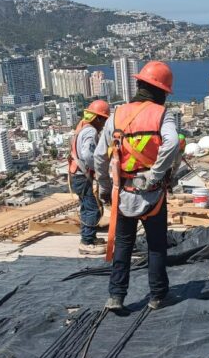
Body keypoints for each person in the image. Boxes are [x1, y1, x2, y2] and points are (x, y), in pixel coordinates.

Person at [94, 61, 179, 311]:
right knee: (156, 246)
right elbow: (173, 143)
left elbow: (99, 156)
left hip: (123, 192)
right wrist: (155, 174)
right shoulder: (162, 114)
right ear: (162, 91)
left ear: (140, 84)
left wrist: (105, 187)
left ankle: (116, 296)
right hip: (153, 194)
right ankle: (157, 296)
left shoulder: (117, 115)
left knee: (123, 244)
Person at [69, 99, 110, 255]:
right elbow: (87, 154)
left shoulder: (82, 126)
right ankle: (86, 242)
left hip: (77, 175)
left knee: (87, 207)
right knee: (93, 209)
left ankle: (89, 238)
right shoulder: (90, 131)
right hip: (82, 176)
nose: (103, 124)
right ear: (97, 118)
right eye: (103, 120)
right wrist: (99, 170)